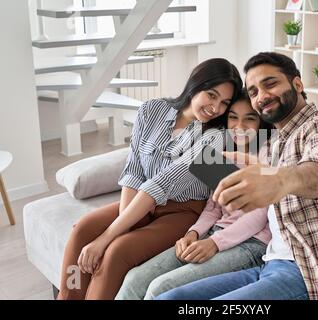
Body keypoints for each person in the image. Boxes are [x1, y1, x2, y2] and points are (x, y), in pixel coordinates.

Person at [155, 52, 318, 300]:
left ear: (297, 84)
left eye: (270, 84)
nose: (261, 96)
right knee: (168, 297)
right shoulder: (274, 145)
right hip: (271, 266)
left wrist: (280, 180)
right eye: (253, 92)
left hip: (316, 273)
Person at [57, 58, 243, 300]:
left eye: (224, 103)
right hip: (139, 202)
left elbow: (161, 184)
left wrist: (109, 236)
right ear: (195, 84)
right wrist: (125, 222)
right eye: (211, 95)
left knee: (116, 251)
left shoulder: (217, 138)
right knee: (82, 230)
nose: (216, 107)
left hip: (183, 212)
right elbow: (134, 170)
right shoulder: (152, 109)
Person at [115, 90, 274, 300]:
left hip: (251, 244)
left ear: (261, 122)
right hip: (214, 233)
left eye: (250, 118)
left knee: (161, 287)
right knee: (135, 279)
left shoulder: (270, 154)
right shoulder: (218, 152)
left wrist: (215, 243)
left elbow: (259, 216)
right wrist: (193, 234)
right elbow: (213, 208)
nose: (240, 126)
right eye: (233, 117)